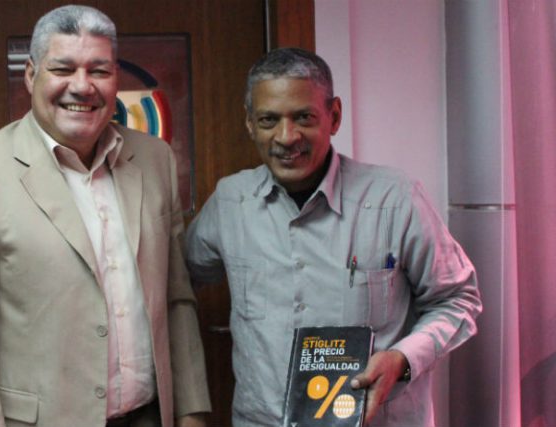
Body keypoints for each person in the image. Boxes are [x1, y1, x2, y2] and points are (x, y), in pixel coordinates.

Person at [0, 5, 210, 427]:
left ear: (115, 78)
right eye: (63, 68)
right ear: (31, 75)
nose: (82, 86)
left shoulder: (154, 159)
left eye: (99, 70)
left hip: (149, 416)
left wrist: (191, 411)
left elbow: (176, 298)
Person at [185, 47, 482, 427]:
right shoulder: (231, 202)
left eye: (304, 117)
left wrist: (403, 359)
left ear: (334, 116)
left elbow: (458, 299)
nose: (286, 137)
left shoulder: (395, 199)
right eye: (269, 120)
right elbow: (176, 284)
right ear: (250, 123)